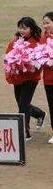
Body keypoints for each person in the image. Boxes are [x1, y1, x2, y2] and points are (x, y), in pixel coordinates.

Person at [5, 17, 45, 140]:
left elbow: (41, 60)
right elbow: (8, 58)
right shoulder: (15, 41)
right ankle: (39, 114)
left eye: (25, 28)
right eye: (20, 27)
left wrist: (30, 64)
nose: (22, 30)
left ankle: (24, 133)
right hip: (17, 78)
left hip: (30, 79)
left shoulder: (38, 42)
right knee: (22, 103)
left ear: (31, 29)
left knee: (23, 105)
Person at [42, 12, 53, 145]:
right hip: (49, 79)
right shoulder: (43, 38)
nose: (45, 25)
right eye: (44, 23)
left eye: (47, 22)